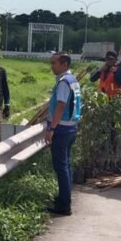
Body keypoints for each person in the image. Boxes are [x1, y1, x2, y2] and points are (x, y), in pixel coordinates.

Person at [45, 53, 82, 216]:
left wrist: (51, 129)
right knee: (66, 165)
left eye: (54, 63)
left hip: (61, 129)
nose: (52, 66)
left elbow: (60, 106)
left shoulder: (63, 83)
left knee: (61, 167)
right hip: (71, 127)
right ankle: (64, 198)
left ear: (64, 64)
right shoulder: (73, 80)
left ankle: (64, 204)